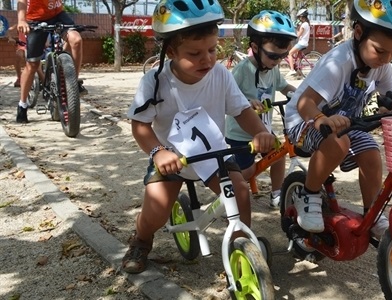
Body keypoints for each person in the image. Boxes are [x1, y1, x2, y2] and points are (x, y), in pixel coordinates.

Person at [123, 0, 274, 274]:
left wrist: (261, 132)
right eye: (194, 53)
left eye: (212, 49)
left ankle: (242, 245)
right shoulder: (155, 83)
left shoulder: (220, 75)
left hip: (213, 153)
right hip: (173, 157)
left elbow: (241, 111)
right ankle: (142, 239)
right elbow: (140, 125)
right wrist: (158, 152)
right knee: (155, 210)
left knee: (240, 191)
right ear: (170, 51)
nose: (207, 59)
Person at [283, 0, 392, 238]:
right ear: (358, 33)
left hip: (345, 124)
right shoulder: (338, 62)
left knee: (371, 152)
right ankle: (309, 193)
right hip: (304, 121)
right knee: (339, 142)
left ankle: (372, 214)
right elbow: (304, 102)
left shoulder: (380, 64)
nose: (386, 59)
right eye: (380, 50)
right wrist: (320, 119)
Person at [225, 11, 297, 209]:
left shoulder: (273, 69)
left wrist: (300, 95)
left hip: (263, 128)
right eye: (274, 56)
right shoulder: (243, 69)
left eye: (283, 56)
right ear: (255, 48)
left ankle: (277, 193)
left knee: (278, 154)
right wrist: (246, 102)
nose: (278, 61)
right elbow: (227, 95)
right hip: (239, 132)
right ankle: (230, 195)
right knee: (246, 173)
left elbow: (284, 87)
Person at [15, 0, 87, 123]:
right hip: (36, 19)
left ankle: (73, 84)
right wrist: (21, 20)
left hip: (58, 15)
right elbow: (21, 1)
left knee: (76, 40)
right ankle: (22, 105)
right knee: (33, 65)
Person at [286, 8, 310, 76]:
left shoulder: (304, 24)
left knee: (289, 54)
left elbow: (298, 35)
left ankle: (292, 70)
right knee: (298, 57)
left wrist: (295, 30)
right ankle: (298, 71)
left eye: (299, 17)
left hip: (302, 43)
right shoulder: (307, 24)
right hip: (304, 43)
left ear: (302, 16)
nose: (299, 18)